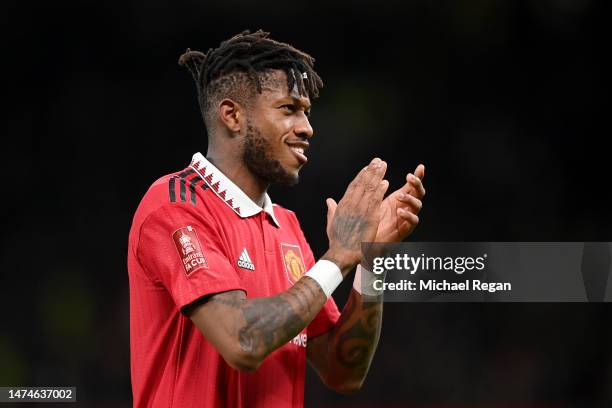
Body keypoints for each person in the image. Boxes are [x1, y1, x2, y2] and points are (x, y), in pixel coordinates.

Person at [127, 30, 425, 408]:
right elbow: (242, 341)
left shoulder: (286, 226)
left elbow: (343, 371)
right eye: (288, 109)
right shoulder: (175, 206)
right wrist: (337, 258)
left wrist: (369, 260)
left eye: (306, 111)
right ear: (233, 115)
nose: (307, 127)